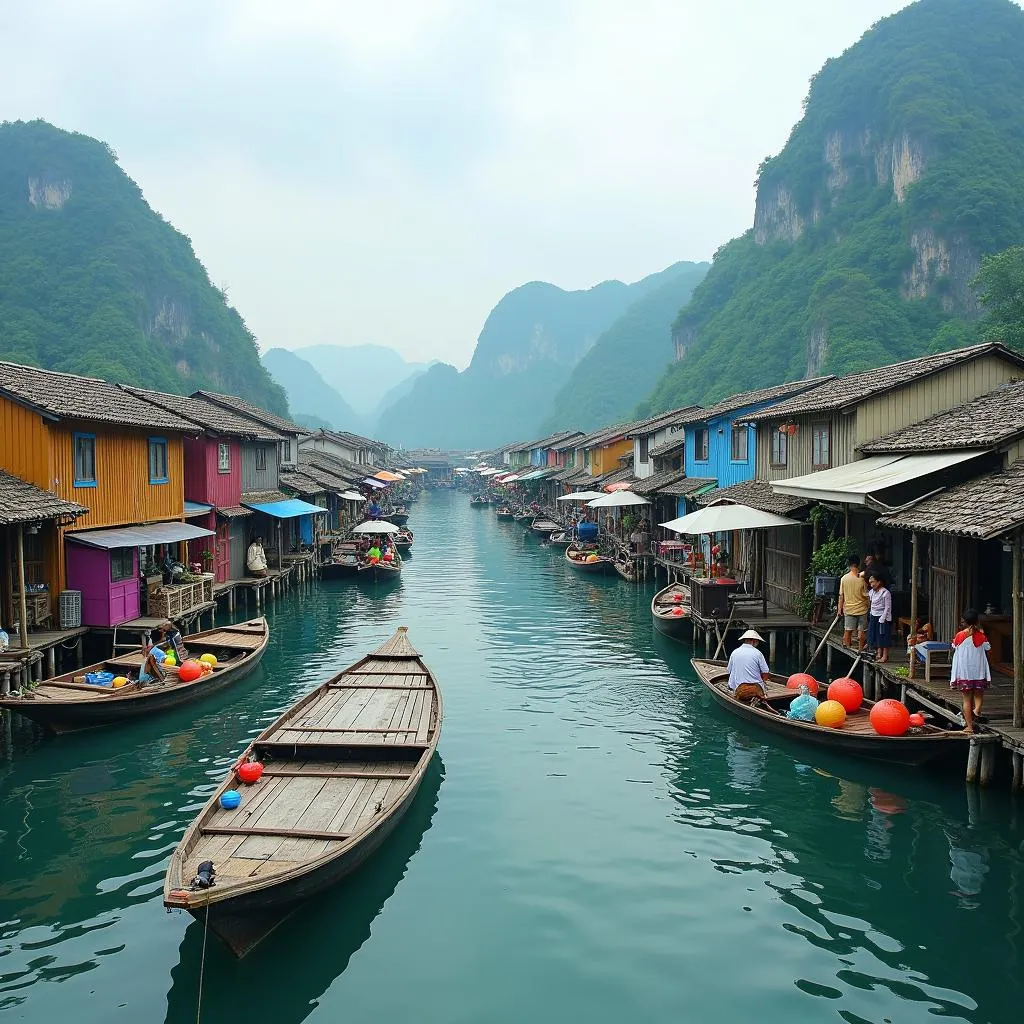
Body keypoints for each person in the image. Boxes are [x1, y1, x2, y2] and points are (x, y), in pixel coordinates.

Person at [950, 608, 992, 734]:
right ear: (976, 621)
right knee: (979, 693)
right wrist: (981, 631)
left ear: (965, 622)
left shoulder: (960, 636)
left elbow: (953, 645)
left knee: (966, 700)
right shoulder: (980, 636)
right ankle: (977, 709)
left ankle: (969, 727)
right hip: (978, 671)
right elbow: (988, 647)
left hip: (964, 672)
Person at [727, 629, 771, 704]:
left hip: (737, 688)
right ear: (754, 641)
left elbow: (729, 671)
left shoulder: (735, 652)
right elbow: (766, 673)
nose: (757, 644)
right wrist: (763, 680)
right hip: (755, 689)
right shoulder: (758, 653)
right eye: (757, 642)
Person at [838, 555, 869, 652]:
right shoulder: (862, 578)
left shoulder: (844, 578)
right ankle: (860, 649)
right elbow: (866, 594)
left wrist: (840, 609)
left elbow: (841, 596)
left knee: (848, 630)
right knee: (862, 631)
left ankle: (847, 649)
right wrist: (869, 605)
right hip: (862, 608)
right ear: (858, 564)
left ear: (849, 564)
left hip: (849, 608)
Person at [867, 575, 892, 663]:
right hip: (873, 615)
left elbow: (887, 607)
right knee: (875, 635)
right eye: (870, 583)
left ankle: (884, 656)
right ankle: (878, 653)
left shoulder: (885, 593)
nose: (871, 584)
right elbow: (871, 604)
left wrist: (883, 618)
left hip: (882, 617)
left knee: (883, 636)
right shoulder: (871, 592)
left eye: (873, 582)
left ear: (879, 582)